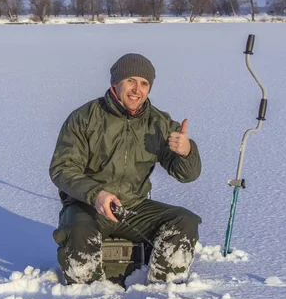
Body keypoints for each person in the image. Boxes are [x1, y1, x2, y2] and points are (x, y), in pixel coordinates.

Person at [49, 53, 202, 285]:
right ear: (115, 83)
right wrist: (96, 194)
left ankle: (163, 292)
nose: (136, 90)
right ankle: (88, 297)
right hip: (89, 205)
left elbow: (188, 175)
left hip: (133, 207)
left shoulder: (159, 123)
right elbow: (62, 169)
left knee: (185, 221)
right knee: (78, 230)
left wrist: (186, 152)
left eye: (144, 83)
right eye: (130, 80)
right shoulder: (84, 118)